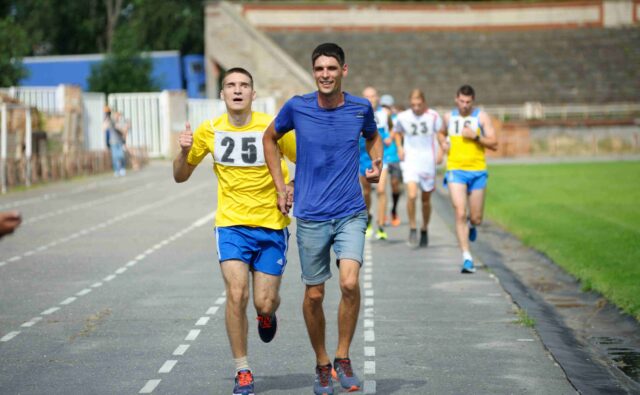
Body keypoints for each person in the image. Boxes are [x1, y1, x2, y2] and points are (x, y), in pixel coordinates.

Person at [263, 43, 382, 395]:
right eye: (319, 69)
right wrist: (281, 185)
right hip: (312, 215)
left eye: (332, 68)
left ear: (344, 70)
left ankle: (343, 357)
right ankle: (321, 363)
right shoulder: (297, 107)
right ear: (313, 72)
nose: (325, 75)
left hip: (350, 211)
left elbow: (374, 137)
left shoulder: (361, 108)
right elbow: (269, 138)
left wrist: (377, 164)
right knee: (314, 294)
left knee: (348, 283)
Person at [173, 67, 296, 395]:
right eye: (230, 85)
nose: (237, 90)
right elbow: (180, 175)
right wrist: (184, 152)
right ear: (222, 94)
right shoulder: (209, 129)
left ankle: (267, 315)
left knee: (263, 302)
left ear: (253, 94)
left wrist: (293, 186)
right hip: (231, 225)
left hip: (271, 224)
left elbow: (309, 160)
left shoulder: (274, 127)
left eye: (244, 85)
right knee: (236, 294)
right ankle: (243, 369)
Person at [437, 84, 497, 273]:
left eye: (468, 102)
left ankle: (472, 224)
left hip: (478, 170)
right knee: (460, 212)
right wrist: (443, 143)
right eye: (461, 101)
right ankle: (467, 257)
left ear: (473, 101)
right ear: (456, 99)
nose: (464, 105)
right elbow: (440, 132)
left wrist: (475, 136)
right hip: (456, 170)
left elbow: (494, 143)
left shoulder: (481, 117)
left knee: (476, 217)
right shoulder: (449, 117)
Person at [394, 89, 443, 248]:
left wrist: (441, 151)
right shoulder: (403, 117)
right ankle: (413, 226)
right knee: (412, 195)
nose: (416, 108)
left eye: (419, 105)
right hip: (410, 161)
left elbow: (441, 134)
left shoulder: (433, 116)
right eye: (413, 104)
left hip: (428, 161)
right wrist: (400, 148)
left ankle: (424, 228)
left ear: (424, 103)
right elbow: (396, 133)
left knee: (426, 199)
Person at [362, 87, 393, 240]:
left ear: (377, 98)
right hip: (362, 157)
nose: (370, 99)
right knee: (366, 192)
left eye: (373, 96)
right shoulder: (358, 113)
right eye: (367, 97)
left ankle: (381, 225)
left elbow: (390, 129)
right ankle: (368, 219)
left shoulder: (384, 114)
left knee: (381, 190)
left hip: (382, 156)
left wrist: (388, 137)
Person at [379, 94, 403, 228]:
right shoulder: (377, 119)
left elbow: (401, 133)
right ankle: (382, 217)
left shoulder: (396, 120)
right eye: (383, 106)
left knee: (395, 185)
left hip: (394, 157)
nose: (385, 109)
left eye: (387, 107)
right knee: (381, 189)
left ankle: (394, 209)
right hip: (382, 157)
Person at [103, 107, 127, 177]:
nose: (117, 117)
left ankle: (122, 168)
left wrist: (120, 129)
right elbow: (104, 127)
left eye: (118, 116)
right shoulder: (111, 122)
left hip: (120, 141)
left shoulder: (121, 122)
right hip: (113, 142)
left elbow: (124, 130)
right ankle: (116, 170)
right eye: (116, 115)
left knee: (121, 156)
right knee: (115, 157)